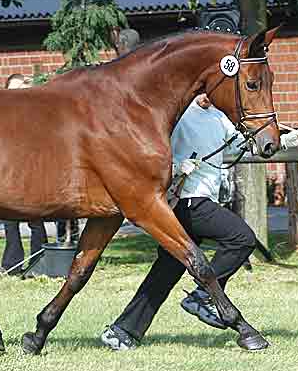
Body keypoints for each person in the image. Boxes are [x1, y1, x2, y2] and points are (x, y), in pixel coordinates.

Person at [100, 93, 262, 350]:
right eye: (204, 89)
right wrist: (176, 166)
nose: (209, 95)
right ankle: (203, 295)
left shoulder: (219, 117)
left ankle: (122, 331)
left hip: (202, 200)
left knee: (166, 271)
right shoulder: (177, 115)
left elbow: (237, 145)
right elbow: (151, 152)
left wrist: (285, 139)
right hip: (187, 201)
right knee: (242, 238)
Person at [0, 74, 48, 276]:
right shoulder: (0, 115)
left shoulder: (35, 114)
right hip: (8, 174)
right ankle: (11, 264)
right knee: (9, 220)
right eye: (11, 90)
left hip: (31, 173)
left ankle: (39, 263)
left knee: (35, 219)